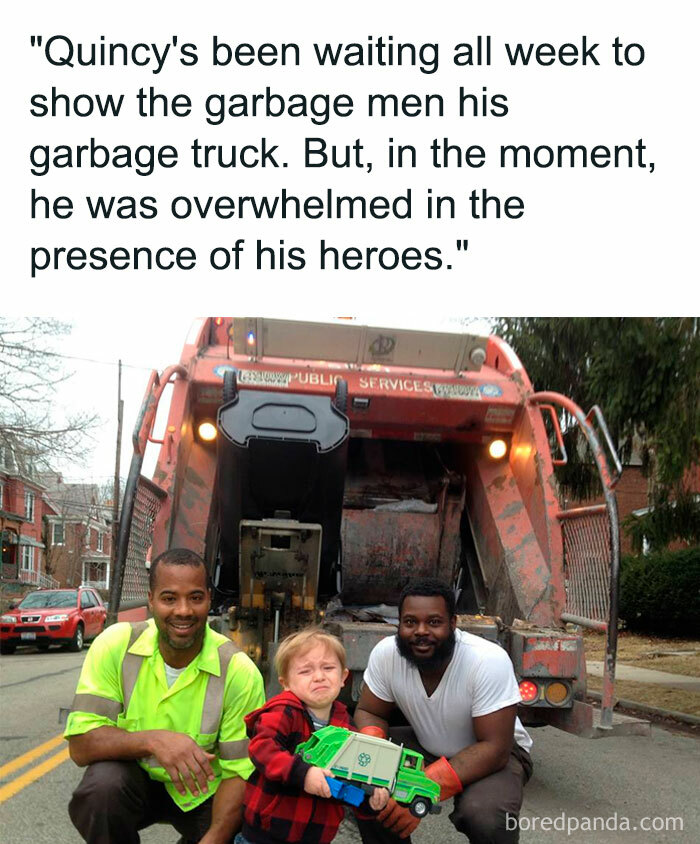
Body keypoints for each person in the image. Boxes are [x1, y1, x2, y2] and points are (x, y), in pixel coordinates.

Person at [65, 548, 265, 844]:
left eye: (195, 598)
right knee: (101, 789)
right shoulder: (116, 645)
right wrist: (154, 741)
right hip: (135, 780)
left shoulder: (239, 671)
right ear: (151, 600)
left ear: (209, 599)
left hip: (206, 792)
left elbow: (239, 774)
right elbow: (81, 746)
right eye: (169, 598)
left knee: (253, 820)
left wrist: (215, 838)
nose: (183, 611)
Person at [354, 578, 533, 844]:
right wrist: (377, 764)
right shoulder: (386, 654)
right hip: (426, 743)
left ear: (453, 624)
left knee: (484, 817)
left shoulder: (486, 660)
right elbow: (370, 712)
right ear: (399, 624)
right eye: (410, 622)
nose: (421, 631)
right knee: (363, 784)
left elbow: (495, 749)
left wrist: (419, 790)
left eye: (434, 622)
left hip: (495, 752)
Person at [238, 627, 389, 844]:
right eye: (305, 671)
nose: (319, 677)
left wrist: (369, 801)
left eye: (328, 668)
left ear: (343, 677)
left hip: (316, 837)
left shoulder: (346, 725)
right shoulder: (283, 711)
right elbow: (262, 749)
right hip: (265, 835)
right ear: (286, 683)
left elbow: (352, 780)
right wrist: (304, 774)